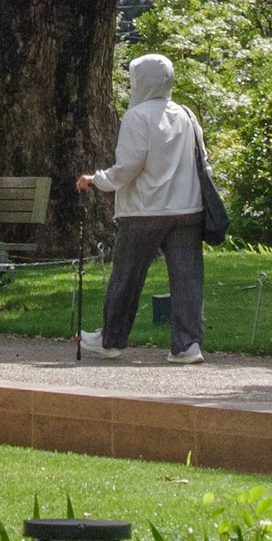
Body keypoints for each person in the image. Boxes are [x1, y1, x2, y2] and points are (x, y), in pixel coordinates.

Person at [76, 52, 207, 364]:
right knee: (187, 278)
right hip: (187, 208)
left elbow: (128, 167)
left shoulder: (137, 115)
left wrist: (96, 180)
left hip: (145, 209)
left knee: (127, 275)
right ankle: (188, 344)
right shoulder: (186, 114)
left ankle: (111, 339)